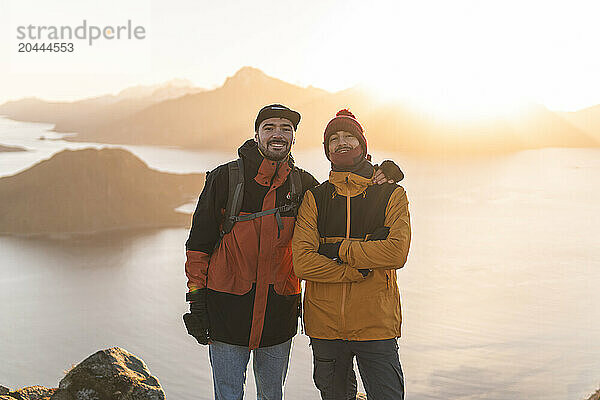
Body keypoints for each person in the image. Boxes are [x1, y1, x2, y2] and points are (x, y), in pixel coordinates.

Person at [183, 104, 403, 400]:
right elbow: (198, 246)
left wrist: (379, 173)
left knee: (272, 395)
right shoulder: (226, 179)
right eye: (270, 127)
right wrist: (197, 300)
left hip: (277, 312)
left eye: (286, 129)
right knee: (227, 394)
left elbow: (348, 185)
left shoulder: (303, 185)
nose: (278, 134)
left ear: (294, 138)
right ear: (256, 135)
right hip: (226, 308)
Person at [292, 109, 411, 400]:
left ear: (363, 145)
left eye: (349, 137)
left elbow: (396, 252)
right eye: (333, 139)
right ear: (327, 149)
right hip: (325, 326)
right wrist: (355, 268)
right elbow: (302, 261)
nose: (341, 143)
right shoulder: (315, 198)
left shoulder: (391, 194)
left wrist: (339, 250)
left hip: (376, 324)